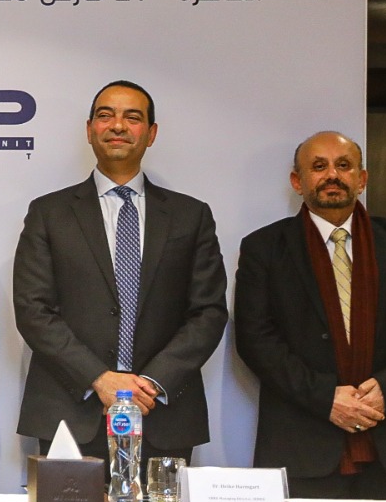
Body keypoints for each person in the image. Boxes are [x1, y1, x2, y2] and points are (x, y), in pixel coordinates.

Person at [14, 80, 228, 463]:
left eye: (132, 117)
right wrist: (99, 378)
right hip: (72, 411)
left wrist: (149, 383)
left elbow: (208, 312)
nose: (117, 125)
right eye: (105, 115)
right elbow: (33, 309)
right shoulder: (49, 213)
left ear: (151, 133)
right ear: (89, 129)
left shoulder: (190, 216)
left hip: (162, 412)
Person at [235, 131, 386, 500]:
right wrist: (326, 399)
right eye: (318, 166)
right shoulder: (264, 248)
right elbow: (255, 340)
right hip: (302, 446)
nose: (332, 175)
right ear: (297, 181)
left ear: (362, 178)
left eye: (344, 165)